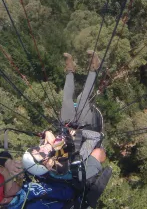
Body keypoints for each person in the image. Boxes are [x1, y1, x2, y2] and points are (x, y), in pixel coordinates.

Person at [21, 51, 106, 182]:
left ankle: (70, 70)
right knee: (82, 98)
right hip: (86, 126)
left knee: (66, 99)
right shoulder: (75, 159)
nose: (42, 148)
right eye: (42, 153)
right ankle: (94, 69)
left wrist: (47, 133)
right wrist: (76, 133)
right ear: (47, 164)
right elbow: (96, 137)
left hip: (68, 123)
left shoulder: (45, 145)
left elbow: (46, 134)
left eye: (36, 148)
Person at [0, 159, 75, 208]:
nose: (13, 181)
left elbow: (3, 157)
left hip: (68, 179)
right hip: (79, 194)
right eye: (9, 184)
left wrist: (7, 162)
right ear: (4, 199)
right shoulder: (30, 206)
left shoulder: (20, 188)